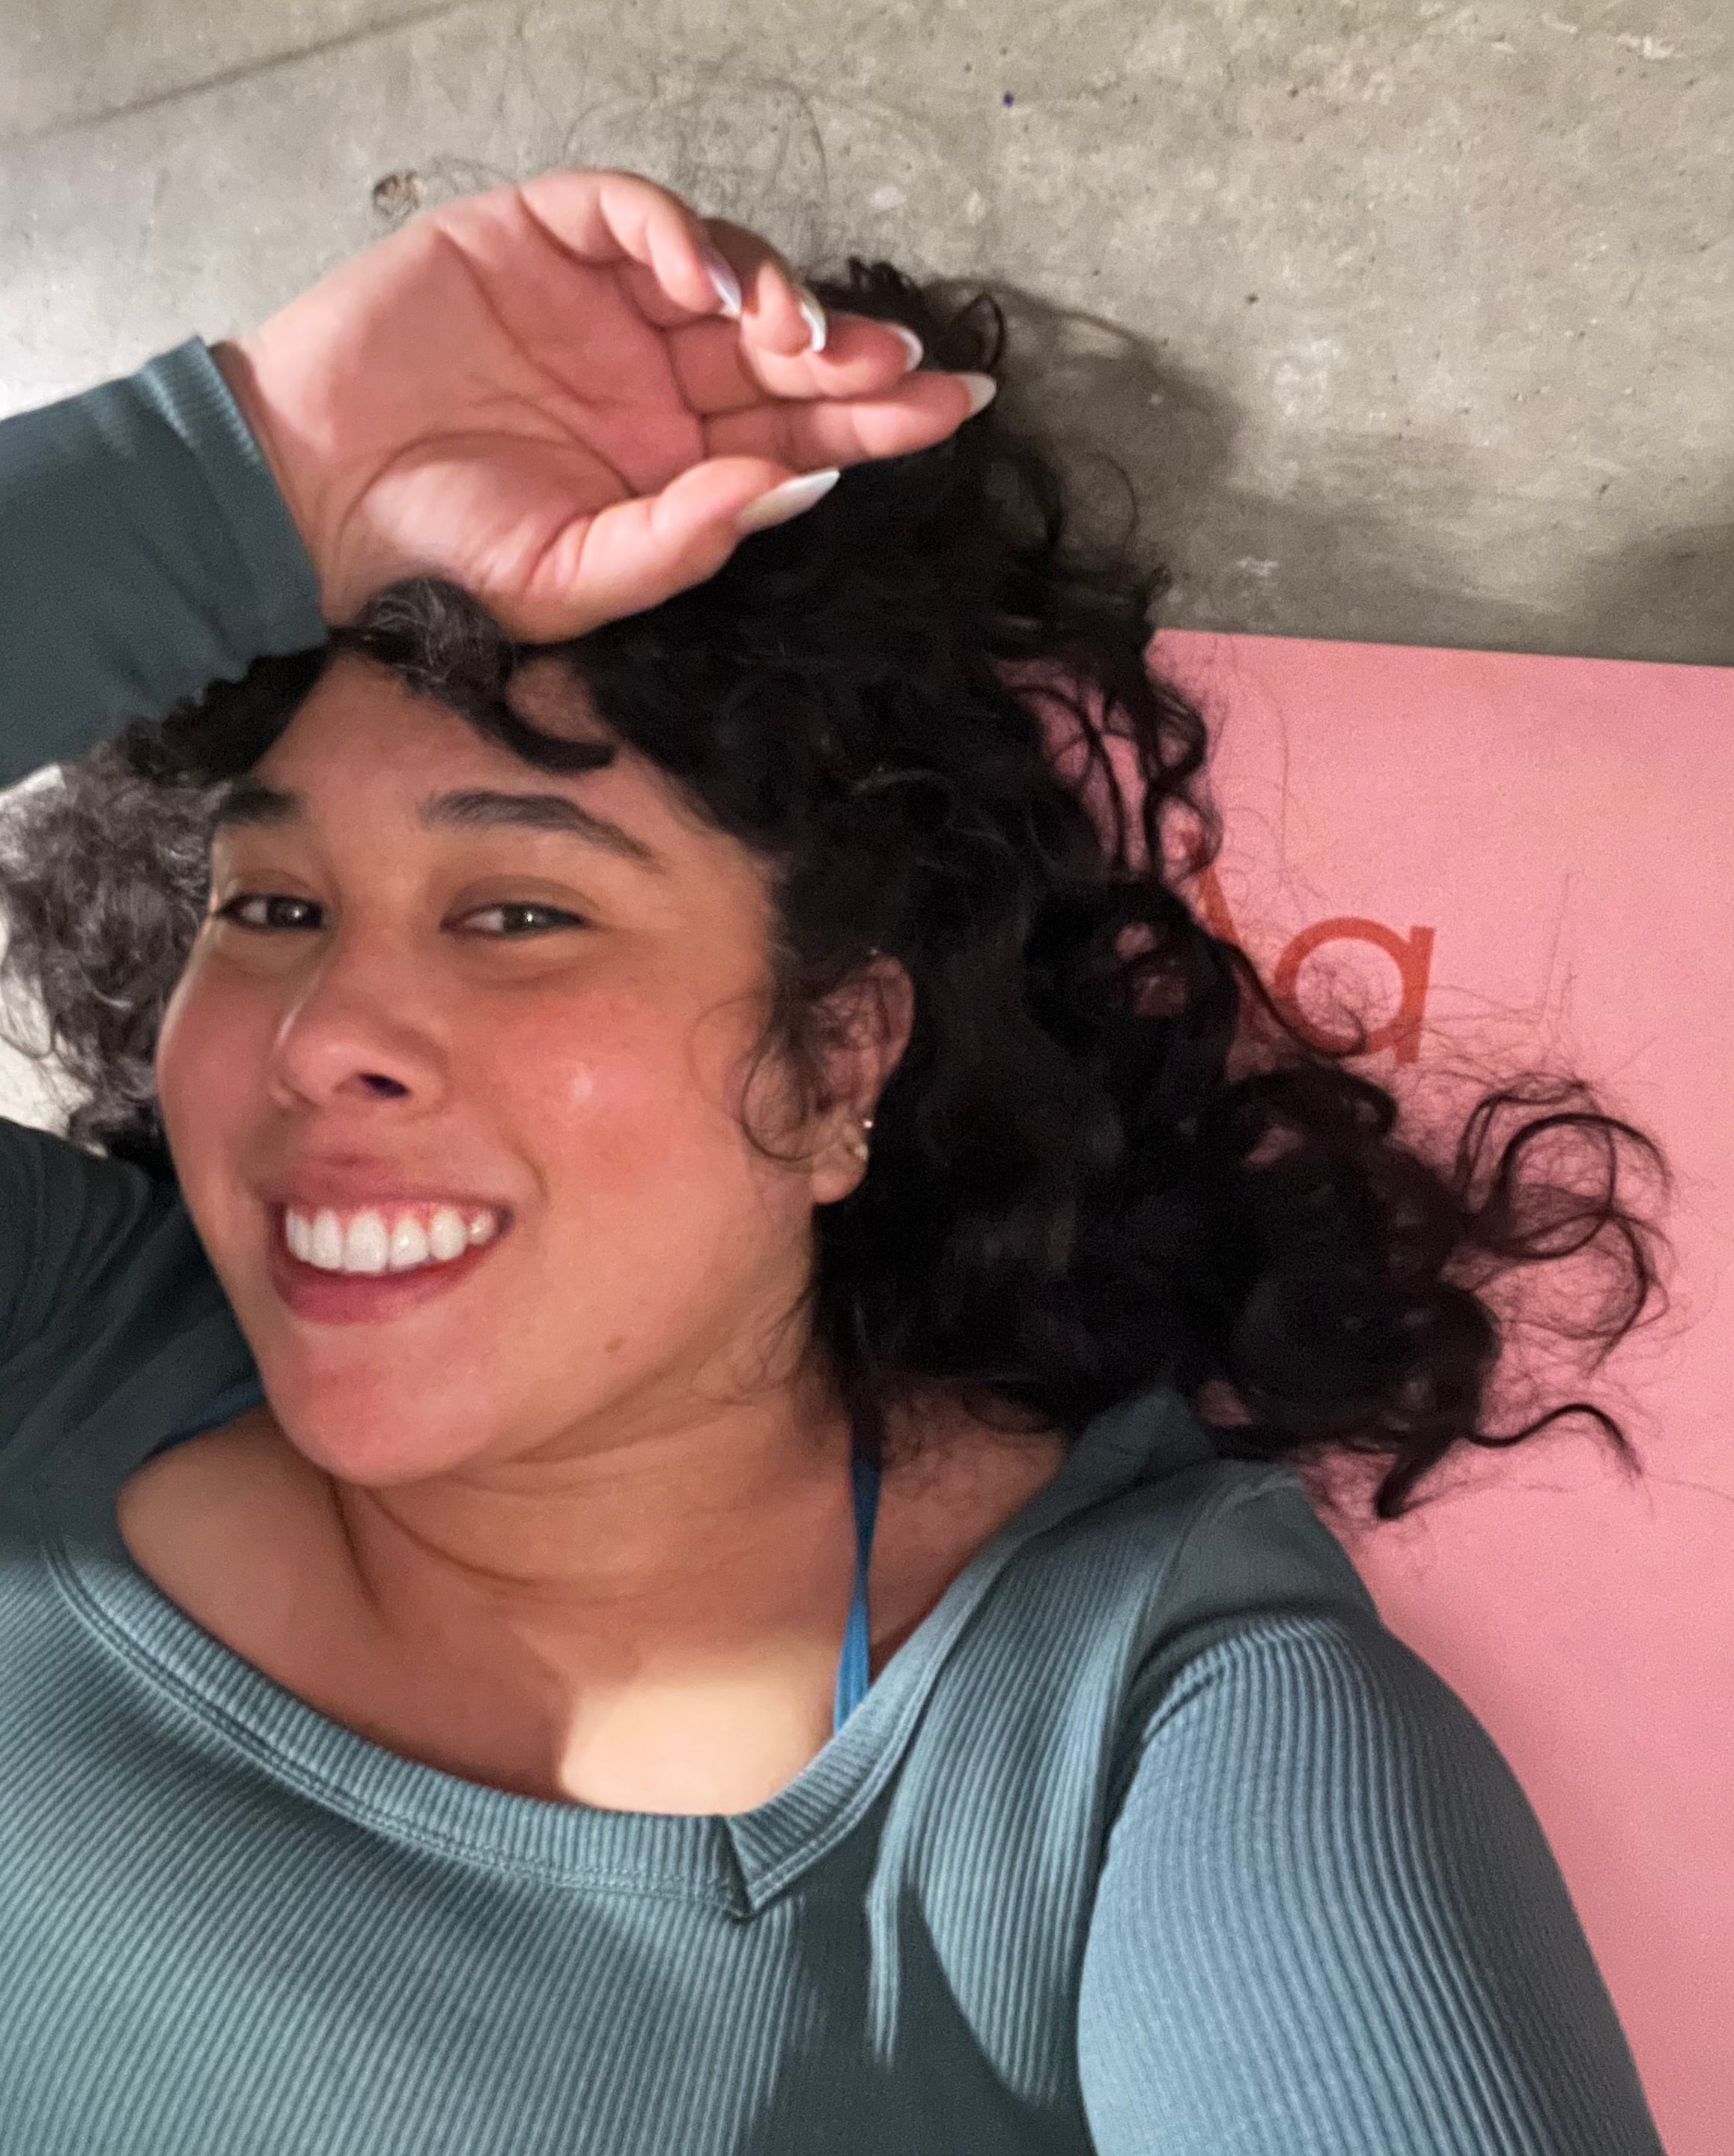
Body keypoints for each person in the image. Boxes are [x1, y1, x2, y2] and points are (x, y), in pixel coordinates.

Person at [0, 168, 1668, 2154]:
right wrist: (250, 472)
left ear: (833, 1056)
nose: (317, 1038)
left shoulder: (1135, 1744)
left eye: (520, 914)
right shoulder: (59, 1342)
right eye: (269, 910)